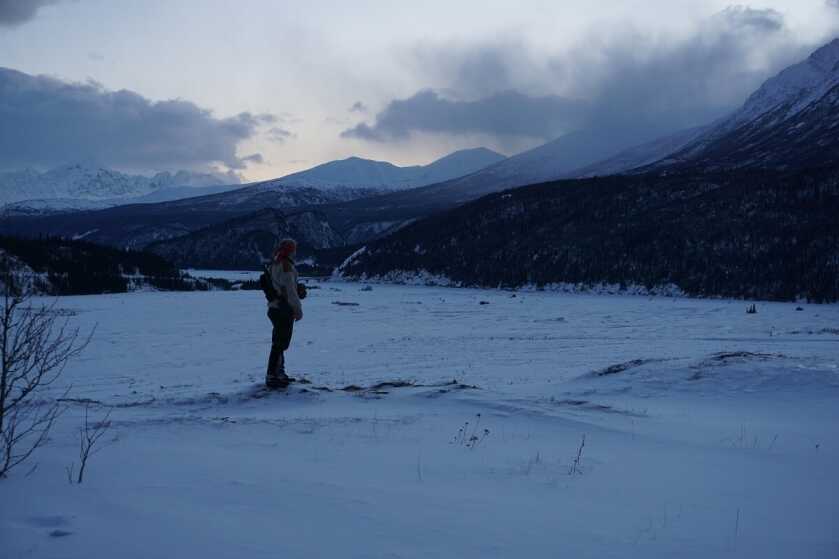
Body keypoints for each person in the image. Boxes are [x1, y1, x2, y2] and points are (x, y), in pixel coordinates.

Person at [265, 238, 303, 388]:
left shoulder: (274, 264)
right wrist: (298, 310)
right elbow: (290, 292)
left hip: (274, 308)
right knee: (280, 343)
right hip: (283, 309)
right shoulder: (286, 266)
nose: (295, 253)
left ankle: (278, 373)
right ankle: (273, 375)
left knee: (278, 342)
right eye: (293, 250)